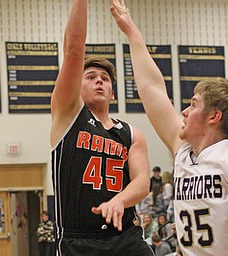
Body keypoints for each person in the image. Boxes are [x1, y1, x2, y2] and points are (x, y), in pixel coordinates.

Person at [110, 0, 228, 255]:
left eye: (193, 105)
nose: (184, 111)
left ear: (213, 116)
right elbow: (152, 90)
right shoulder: (183, 150)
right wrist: (131, 31)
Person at [50, 1, 153, 255]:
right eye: (91, 77)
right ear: (77, 85)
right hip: (79, 240)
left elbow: (142, 181)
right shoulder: (68, 115)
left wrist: (120, 200)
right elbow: (74, 50)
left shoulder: (130, 133)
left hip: (125, 234)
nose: (99, 81)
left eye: (104, 79)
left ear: (112, 92)